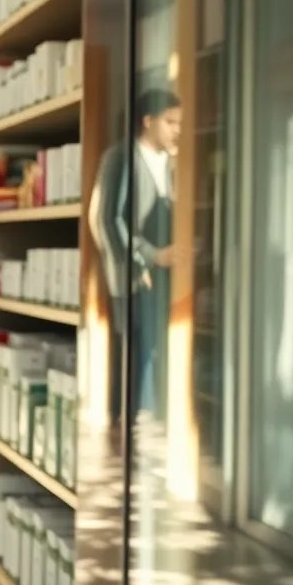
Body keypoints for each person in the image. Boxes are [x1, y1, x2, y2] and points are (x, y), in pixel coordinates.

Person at [91, 89, 183, 423]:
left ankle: (151, 420)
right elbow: (107, 219)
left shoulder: (172, 163)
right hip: (133, 276)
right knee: (133, 353)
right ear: (148, 121)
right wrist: (148, 256)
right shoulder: (120, 157)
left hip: (166, 276)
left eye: (180, 123)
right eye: (170, 122)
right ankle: (127, 424)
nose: (177, 130)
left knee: (160, 350)